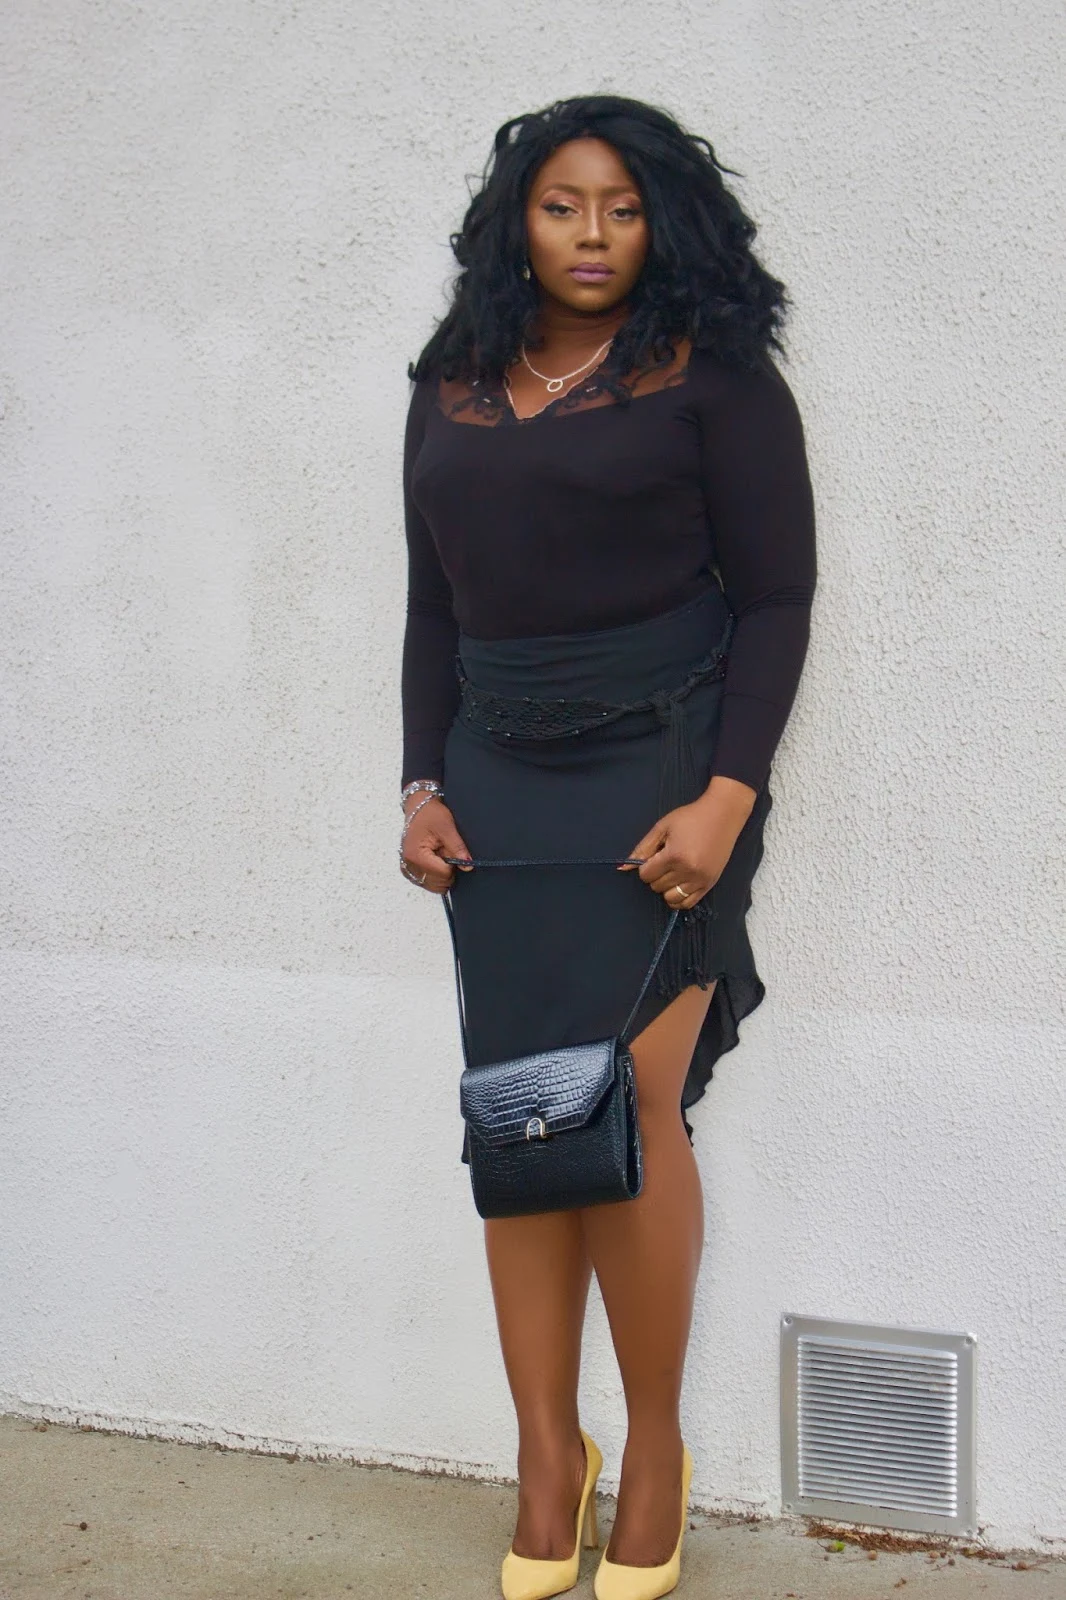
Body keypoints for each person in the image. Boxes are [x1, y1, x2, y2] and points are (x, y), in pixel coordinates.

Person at [397, 95, 816, 1600]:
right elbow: (432, 604)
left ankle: (652, 1452)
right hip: (495, 781)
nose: (591, 234)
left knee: (631, 1098)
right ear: (518, 219)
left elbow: (777, 599)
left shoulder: (716, 376)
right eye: (562, 204)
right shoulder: (450, 379)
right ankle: (543, 1453)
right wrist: (417, 785)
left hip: (663, 763)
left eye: (622, 208)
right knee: (520, 1108)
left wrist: (728, 798)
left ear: (664, 225)